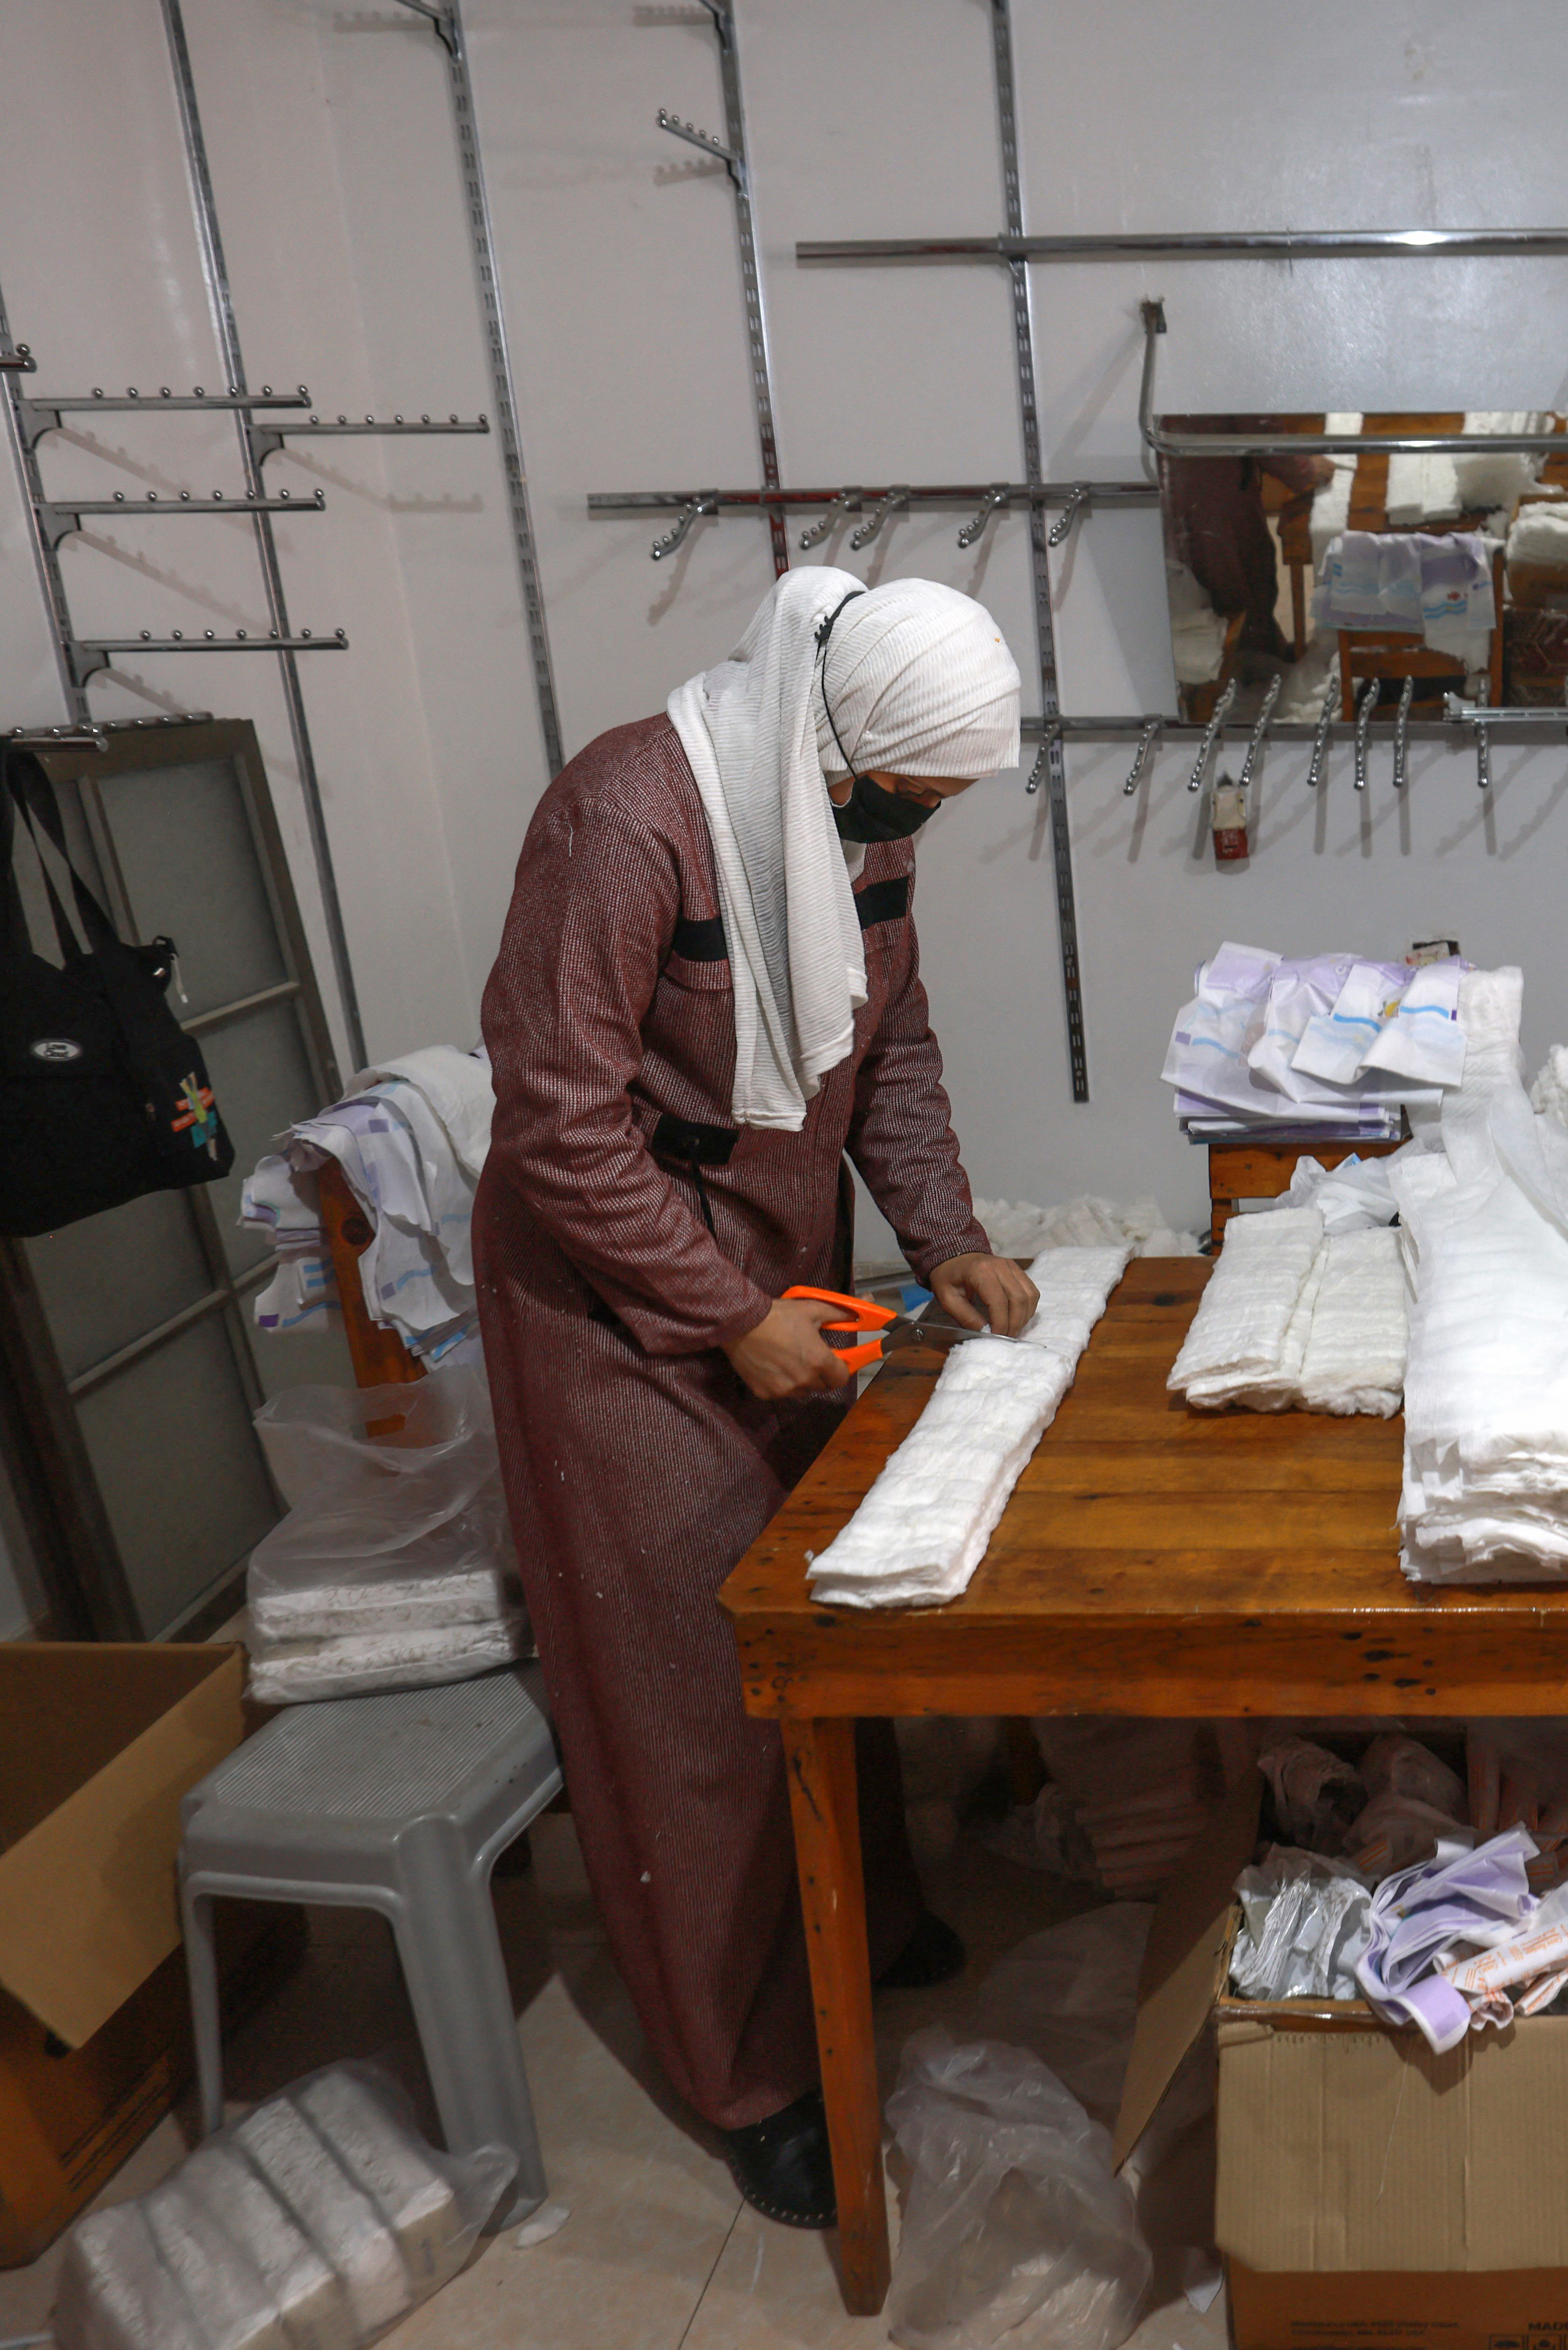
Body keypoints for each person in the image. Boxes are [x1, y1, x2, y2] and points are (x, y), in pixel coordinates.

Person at [474, 567, 1041, 2228]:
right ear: (845, 738)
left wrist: (950, 1246)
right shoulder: (627, 816)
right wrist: (724, 1315)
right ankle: (753, 2078)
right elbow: (557, 1118)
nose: (919, 827)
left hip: (776, 1270)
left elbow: (892, 1047)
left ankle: (857, 1919)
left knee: (819, 1628)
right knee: (696, 1692)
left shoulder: (853, 817)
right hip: (613, 1303)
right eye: (915, 796)